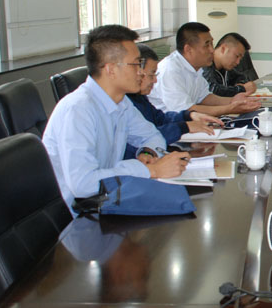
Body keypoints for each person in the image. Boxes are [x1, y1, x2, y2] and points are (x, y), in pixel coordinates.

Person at [43, 25, 190, 210]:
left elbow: (152, 136)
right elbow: (83, 184)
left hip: (110, 198)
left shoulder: (121, 103)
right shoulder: (78, 110)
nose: (141, 72)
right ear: (111, 69)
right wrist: (150, 170)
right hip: (78, 215)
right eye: (136, 64)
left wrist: (147, 154)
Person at [124, 45, 222, 156]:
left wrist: (189, 116)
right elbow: (145, 137)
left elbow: (161, 119)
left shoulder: (139, 97)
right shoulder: (125, 103)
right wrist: (185, 127)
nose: (155, 80)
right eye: (151, 75)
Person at [148, 22, 261, 116]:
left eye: (212, 44)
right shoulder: (171, 70)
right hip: (168, 129)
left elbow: (205, 98)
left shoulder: (196, 68)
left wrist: (233, 101)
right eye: (207, 45)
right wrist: (230, 108)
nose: (212, 50)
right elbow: (186, 111)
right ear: (188, 49)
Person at [202, 32, 258, 97]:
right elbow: (213, 90)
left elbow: (241, 77)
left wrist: (242, 84)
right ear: (223, 49)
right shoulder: (205, 65)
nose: (238, 62)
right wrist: (242, 89)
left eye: (240, 59)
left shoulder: (226, 68)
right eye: (237, 56)